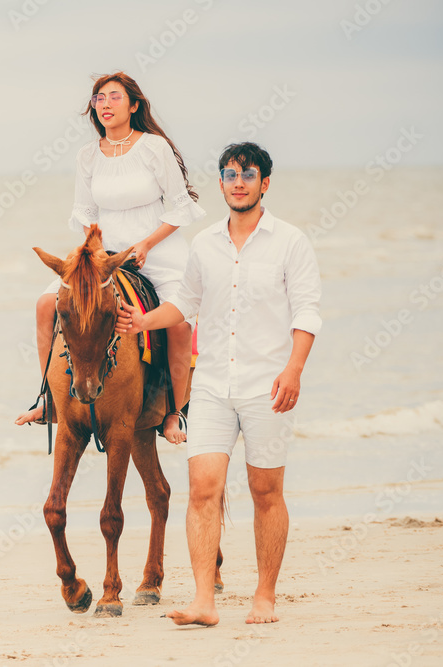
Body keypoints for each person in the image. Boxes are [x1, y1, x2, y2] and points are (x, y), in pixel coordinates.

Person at [116, 142, 322, 626]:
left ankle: (265, 597)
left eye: (248, 174)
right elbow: (184, 303)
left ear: (264, 183)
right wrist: (141, 321)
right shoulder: (204, 243)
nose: (238, 181)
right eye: (230, 174)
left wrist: (294, 369)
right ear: (222, 182)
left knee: (265, 490)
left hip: (268, 384)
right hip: (210, 384)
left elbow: (308, 310)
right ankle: (204, 601)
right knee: (203, 487)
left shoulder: (290, 242)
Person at [15, 71, 205, 444]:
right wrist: (95, 251)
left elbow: (181, 208)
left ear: (134, 105)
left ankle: (175, 412)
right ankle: (51, 399)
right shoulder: (87, 155)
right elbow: (85, 213)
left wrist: (147, 245)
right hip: (104, 257)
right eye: (99, 98)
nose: (105, 104)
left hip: (159, 252)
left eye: (114, 97)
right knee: (44, 305)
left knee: (178, 325)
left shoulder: (154, 148)